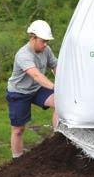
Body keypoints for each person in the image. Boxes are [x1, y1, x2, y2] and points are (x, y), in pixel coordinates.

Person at [6, 20, 58, 159]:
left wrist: (62, 81)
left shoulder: (46, 50)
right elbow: (36, 75)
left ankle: (58, 140)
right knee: (18, 129)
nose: (46, 44)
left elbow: (55, 65)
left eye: (47, 41)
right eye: (43, 41)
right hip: (19, 92)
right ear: (33, 37)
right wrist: (55, 87)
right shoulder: (23, 55)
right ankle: (17, 160)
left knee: (60, 102)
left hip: (37, 90)